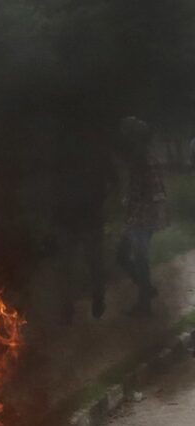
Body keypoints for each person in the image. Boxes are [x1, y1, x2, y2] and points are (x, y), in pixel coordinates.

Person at [56, 121, 116, 324]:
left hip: (83, 219)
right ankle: (72, 305)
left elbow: (113, 182)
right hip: (76, 219)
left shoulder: (84, 153)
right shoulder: (94, 153)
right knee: (79, 265)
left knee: (82, 265)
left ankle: (82, 303)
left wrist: (103, 201)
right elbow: (114, 182)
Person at [117, 116, 169, 317]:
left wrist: (131, 208)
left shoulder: (141, 158)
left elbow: (146, 191)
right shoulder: (146, 156)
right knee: (128, 257)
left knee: (136, 258)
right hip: (145, 216)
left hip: (141, 217)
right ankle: (146, 290)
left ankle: (144, 304)